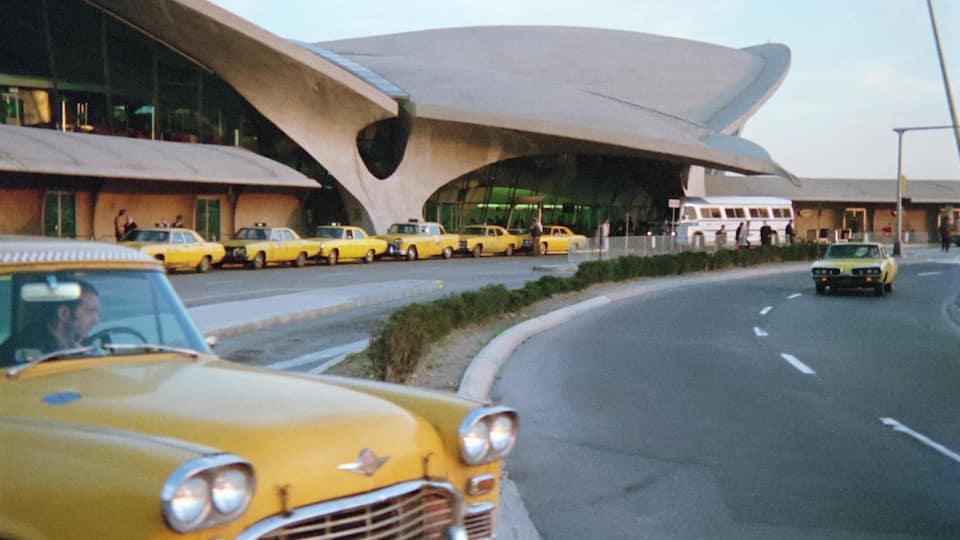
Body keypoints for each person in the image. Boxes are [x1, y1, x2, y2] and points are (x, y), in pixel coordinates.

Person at [0, 281, 101, 361]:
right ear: (63, 314)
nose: (96, 321)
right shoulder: (27, 347)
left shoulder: (80, 343)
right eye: (90, 312)